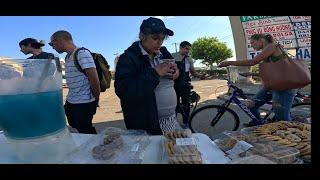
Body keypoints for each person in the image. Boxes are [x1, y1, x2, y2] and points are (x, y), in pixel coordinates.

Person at [114, 17, 180, 135]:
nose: (159, 42)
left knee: (171, 151)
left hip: (170, 119)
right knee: (152, 152)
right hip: (146, 124)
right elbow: (123, 91)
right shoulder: (128, 58)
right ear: (142, 36)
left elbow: (174, 73)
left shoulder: (163, 52)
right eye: (155, 38)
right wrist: (155, 72)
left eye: (162, 39)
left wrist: (176, 72)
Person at [219, 33, 297, 127]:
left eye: (253, 43)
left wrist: (229, 62)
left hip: (284, 87)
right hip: (272, 86)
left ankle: (292, 138)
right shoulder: (267, 51)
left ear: (261, 40)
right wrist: (251, 74)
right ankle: (260, 124)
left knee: (282, 120)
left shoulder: (272, 47)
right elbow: (271, 71)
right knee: (251, 105)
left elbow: (253, 62)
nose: (251, 45)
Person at [49, 30, 100, 134]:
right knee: (76, 129)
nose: (52, 47)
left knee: (86, 132)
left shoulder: (82, 53)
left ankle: (92, 150)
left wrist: (96, 100)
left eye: (52, 44)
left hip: (83, 103)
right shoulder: (68, 57)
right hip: (71, 102)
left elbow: (94, 80)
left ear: (59, 40)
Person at [173, 41, 200, 126]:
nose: (188, 51)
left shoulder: (189, 59)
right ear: (180, 48)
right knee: (174, 104)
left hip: (185, 85)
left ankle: (186, 123)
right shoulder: (172, 56)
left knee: (186, 104)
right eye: (186, 49)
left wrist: (201, 75)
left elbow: (193, 72)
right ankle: (173, 123)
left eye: (189, 50)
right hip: (173, 85)